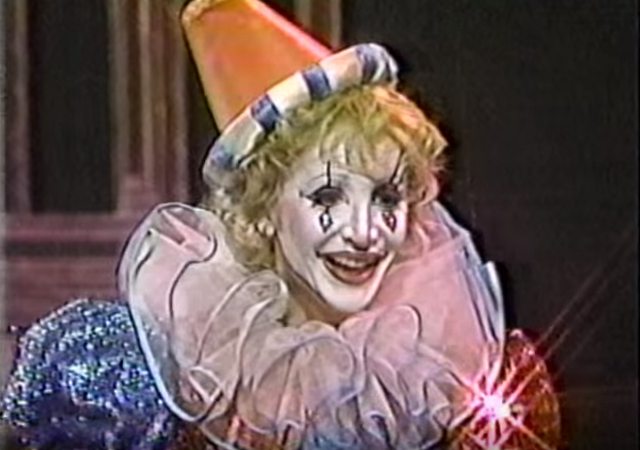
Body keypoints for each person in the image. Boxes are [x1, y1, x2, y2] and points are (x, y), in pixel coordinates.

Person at [1, 1, 560, 449]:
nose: (365, 231)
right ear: (263, 210)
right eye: (328, 196)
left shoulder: (446, 369)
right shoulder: (161, 370)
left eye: (386, 197)